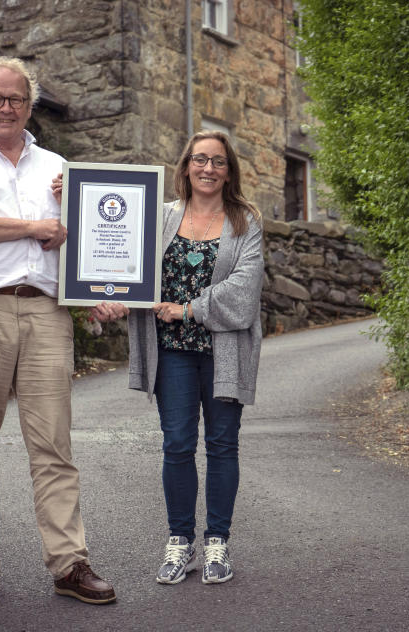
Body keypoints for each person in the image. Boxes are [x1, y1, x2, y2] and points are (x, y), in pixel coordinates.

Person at [0, 56, 115, 606]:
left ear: (30, 107)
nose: (6, 108)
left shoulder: (56, 165)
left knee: (54, 445)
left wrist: (99, 286)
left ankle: (69, 563)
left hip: (45, 314)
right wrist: (36, 226)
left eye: (17, 100)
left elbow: (81, 237)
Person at [89, 131, 264, 585]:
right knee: (178, 445)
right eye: (200, 160)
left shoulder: (246, 222)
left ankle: (217, 544)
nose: (209, 169)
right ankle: (180, 542)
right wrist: (112, 296)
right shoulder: (159, 216)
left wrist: (188, 309)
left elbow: (244, 294)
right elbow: (129, 266)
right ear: (185, 165)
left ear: (230, 171)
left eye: (219, 162)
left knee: (223, 446)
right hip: (173, 353)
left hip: (224, 352)